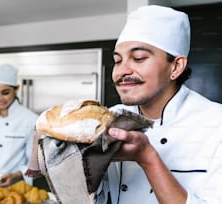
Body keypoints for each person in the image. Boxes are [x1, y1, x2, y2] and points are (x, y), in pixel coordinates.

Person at [95, 5, 222, 204]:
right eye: (117, 61)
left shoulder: (216, 125)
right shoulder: (110, 119)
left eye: (138, 58)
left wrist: (147, 157)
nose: (121, 71)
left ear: (176, 67)